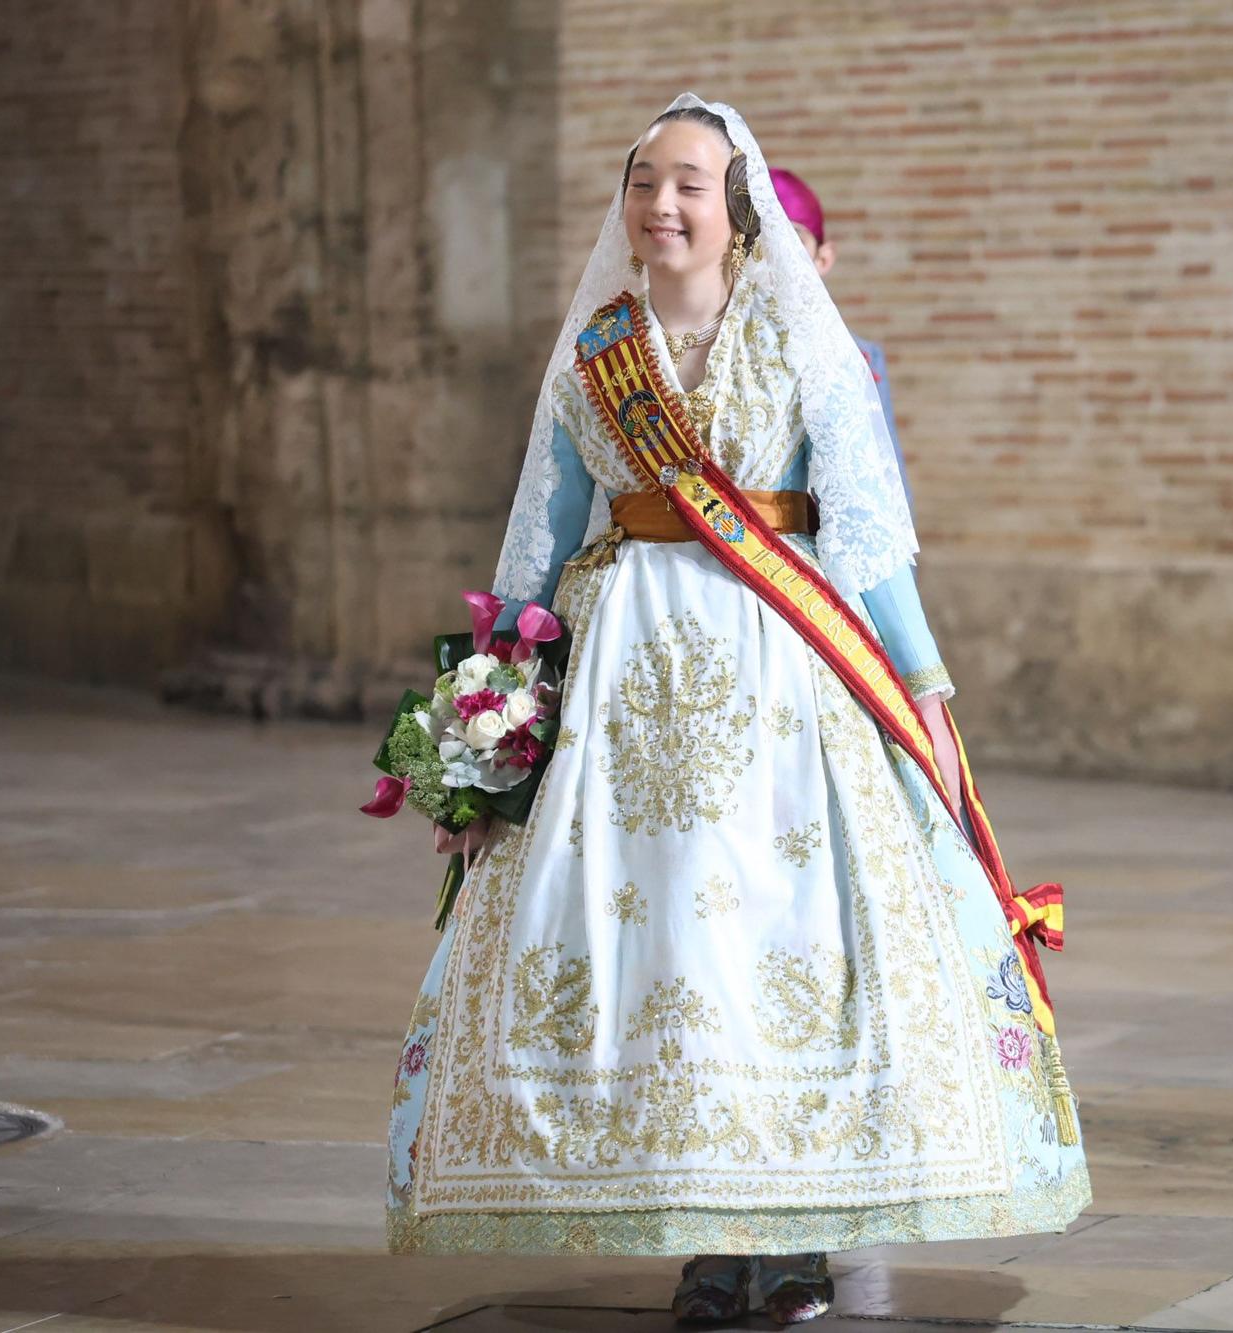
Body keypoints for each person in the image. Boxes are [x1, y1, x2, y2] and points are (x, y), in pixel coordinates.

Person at [385, 93, 1090, 1326]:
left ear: (736, 203)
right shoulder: (595, 347)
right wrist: (477, 734)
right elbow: (537, 549)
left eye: (689, 183)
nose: (661, 203)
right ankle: (707, 1234)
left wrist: (923, 690)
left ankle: (796, 1228)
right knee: (665, 948)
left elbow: (866, 542)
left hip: (784, 677)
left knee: (786, 941)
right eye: (642, 180)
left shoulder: (799, 338)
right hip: (626, 690)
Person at [769, 167, 912, 506]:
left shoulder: (856, 356)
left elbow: (885, 478)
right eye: (759, 238)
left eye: (792, 238)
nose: (775, 253)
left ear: (824, 257)